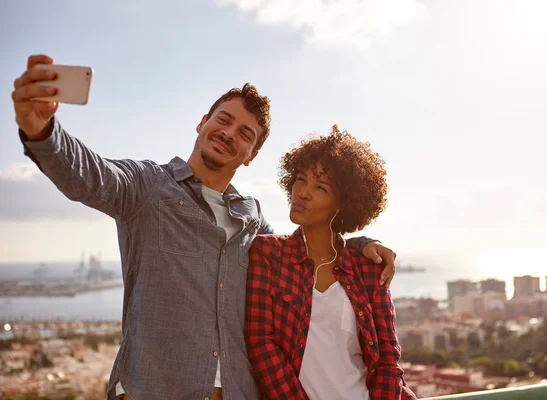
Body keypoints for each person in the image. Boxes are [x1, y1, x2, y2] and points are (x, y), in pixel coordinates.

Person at [11, 55, 399, 400]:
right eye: (224, 120)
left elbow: (302, 249)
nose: (230, 134)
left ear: (252, 156)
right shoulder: (146, 187)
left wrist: (359, 244)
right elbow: (89, 174)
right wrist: (43, 132)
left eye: (245, 134)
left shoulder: (252, 220)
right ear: (202, 123)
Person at [245, 126, 417, 400]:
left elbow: (387, 360)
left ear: (343, 203)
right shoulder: (267, 253)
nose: (302, 192)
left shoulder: (368, 268)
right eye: (300, 179)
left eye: (320, 187)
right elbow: (261, 343)